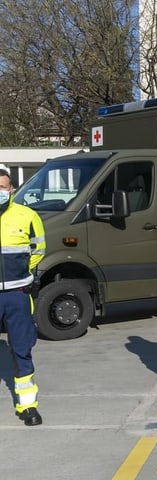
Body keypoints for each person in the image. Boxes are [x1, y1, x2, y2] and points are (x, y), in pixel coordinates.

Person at [0, 169, 46, 425]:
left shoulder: (27, 216)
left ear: (12, 190)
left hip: (18, 294)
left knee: (21, 349)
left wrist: (24, 271)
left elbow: (39, 248)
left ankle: (28, 406)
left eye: (3, 187)